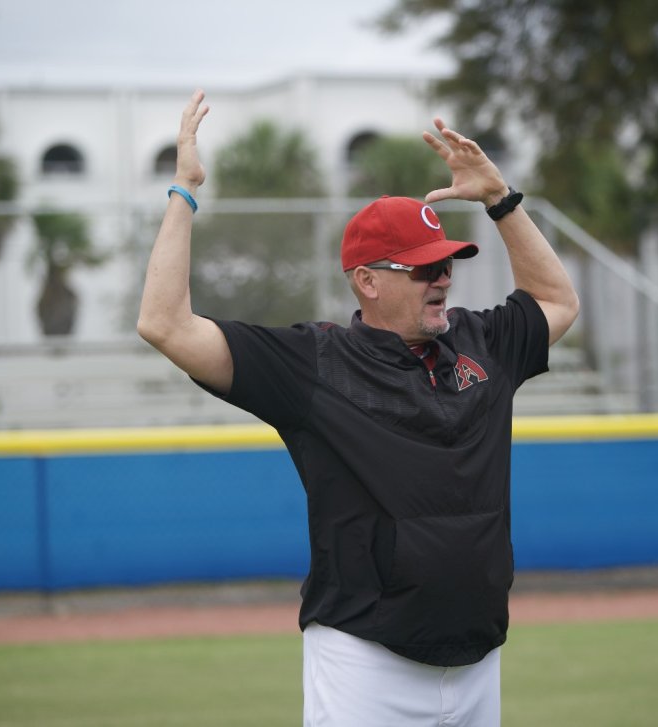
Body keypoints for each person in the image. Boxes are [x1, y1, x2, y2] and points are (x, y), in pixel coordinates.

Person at [138, 89, 579, 727]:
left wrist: (500, 201)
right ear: (368, 281)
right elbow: (164, 323)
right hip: (365, 666)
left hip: (480, 659)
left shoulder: (481, 342)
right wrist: (184, 191)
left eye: (447, 264)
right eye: (424, 268)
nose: (443, 278)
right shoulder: (314, 364)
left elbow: (557, 301)